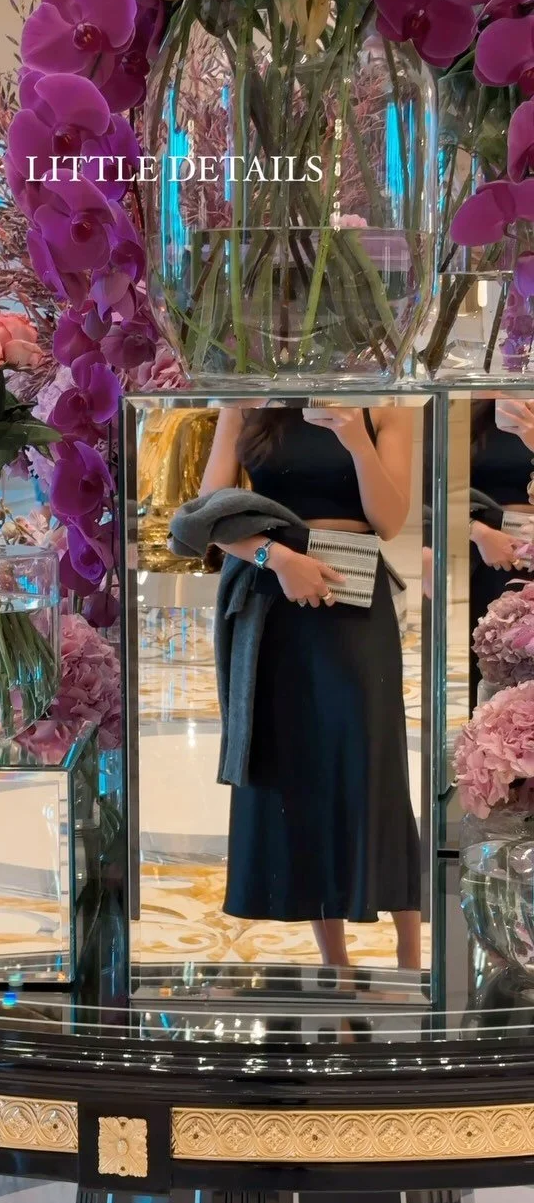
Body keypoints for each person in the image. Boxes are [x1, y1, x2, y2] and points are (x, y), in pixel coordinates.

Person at [199, 401, 421, 972]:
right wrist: (276, 559)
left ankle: (410, 955)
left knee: (373, 762)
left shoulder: (384, 407)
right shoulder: (248, 401)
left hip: (354, 596)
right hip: (273, 599)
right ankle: (335, 964)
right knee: (300, 769)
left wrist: (356, 439)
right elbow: (208, 514)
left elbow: (390, 520)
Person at [468, 396, 534, 707]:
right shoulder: (471, 410)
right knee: (493, 665)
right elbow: (439, 489)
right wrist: (477, 532)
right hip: (489, 559)